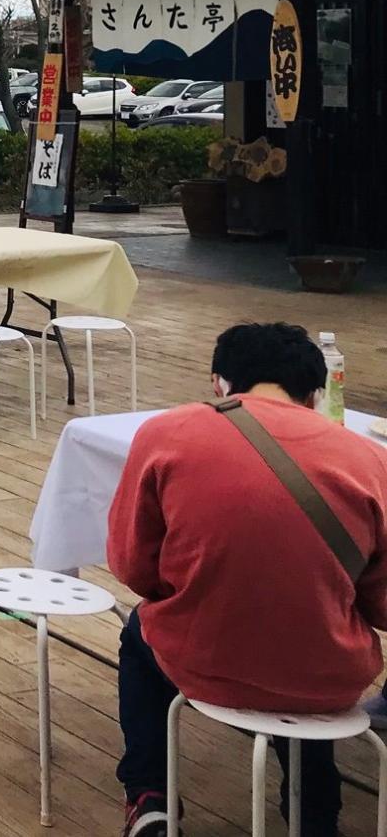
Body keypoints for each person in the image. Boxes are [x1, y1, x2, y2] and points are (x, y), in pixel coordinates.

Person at [109, 322, 387, 837]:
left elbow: (133, 568)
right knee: (308, 650)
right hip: (326, 677)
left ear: (220, 383)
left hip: (204, 661)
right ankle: (314, 820)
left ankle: (150, 798)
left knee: (139, 635)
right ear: (315, 393)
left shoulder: (166, 433)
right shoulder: (373, 462)